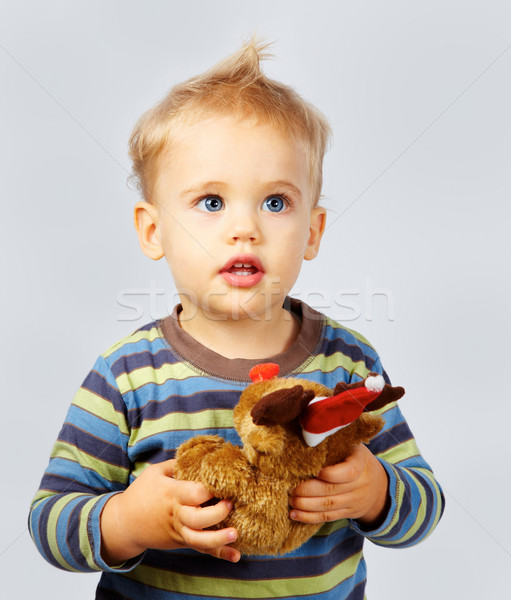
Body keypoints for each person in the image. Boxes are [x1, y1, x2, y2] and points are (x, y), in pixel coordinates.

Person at [28, 39, 444, 600]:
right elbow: (51, 523)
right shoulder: (126, 375)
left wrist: (378, 494)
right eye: (211, 202)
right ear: (154, 231)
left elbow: (425, 505)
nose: (244, 228)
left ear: (313, 232)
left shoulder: (348, 363)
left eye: (275, 202)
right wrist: (126, 522)